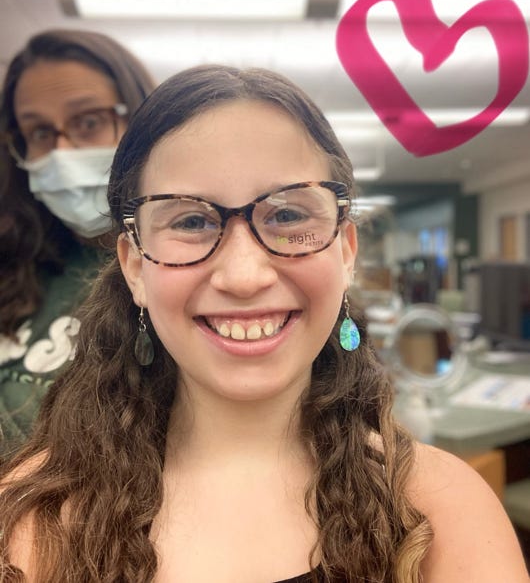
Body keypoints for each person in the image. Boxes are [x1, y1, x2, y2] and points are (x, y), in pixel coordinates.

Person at [0, 64, 527, 582]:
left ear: (346, 251)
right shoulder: (33, 524)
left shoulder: (443, 513)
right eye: (190, 221)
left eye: (288, 215)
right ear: (135, 266)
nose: (244, 276)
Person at [0, 29, 156, 454]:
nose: (62, 152)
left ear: (140, 121)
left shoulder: (179, 272)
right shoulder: (14, 260)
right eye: (39, 132)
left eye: (89, 122)